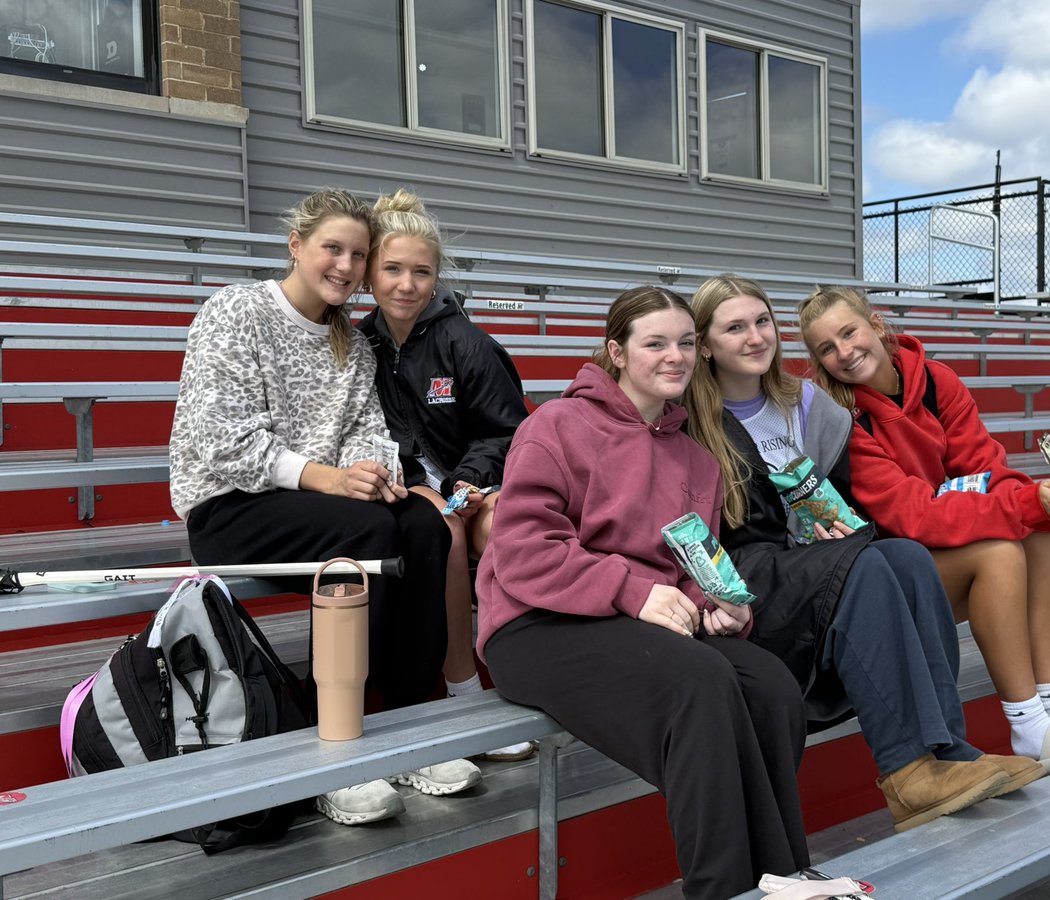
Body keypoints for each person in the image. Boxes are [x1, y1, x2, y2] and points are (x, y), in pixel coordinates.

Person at [476, 286, 808, 899]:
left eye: (686, 342)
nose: (674, 356)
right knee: (699, 681)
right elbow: (523, 552)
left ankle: (779, 877)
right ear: (617, 352)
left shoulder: (697, 459)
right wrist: (630, 591)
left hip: (638, 622)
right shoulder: (556, 425)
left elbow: (690, 565)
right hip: (536, 623)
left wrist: (715, 604)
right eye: (655, 343)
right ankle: (722, 888)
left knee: (771, 687)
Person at [685, 273, 1040, 833]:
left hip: (807, 559)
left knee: (908, 558)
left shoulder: (805, 403)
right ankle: (906, 771)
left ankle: (949, 750)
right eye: (734, 328)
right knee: (870, 563)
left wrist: (833, 525)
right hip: (744, 573)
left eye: (762, 321)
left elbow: (843, 500)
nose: (755, 337)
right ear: (704, 345)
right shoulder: (689, 417)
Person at [169, 187, 469, 827]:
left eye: (358, 255)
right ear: (296, 244)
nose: (346, 266)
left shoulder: (352, 346)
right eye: (333, 248)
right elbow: (220, 441)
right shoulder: (236, 311)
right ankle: (334, 747)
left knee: (423, 522)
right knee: (365, 531)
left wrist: (371, 472)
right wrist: (329, 479)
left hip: (325, 504)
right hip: (233, 507)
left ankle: (408, 719)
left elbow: (366, 431)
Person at [799, 285, 1050, 770]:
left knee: (1042, 535)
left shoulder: (937, 381)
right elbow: (913, 516)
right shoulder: (843, 420)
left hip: (939, 549)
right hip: (892, 578)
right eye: (827, 349)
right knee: (1000, 552)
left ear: (875, 323)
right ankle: (1028, 726)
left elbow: (985, 468)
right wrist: (1021, 506)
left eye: (849, 333)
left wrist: (1036, 501)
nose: (845, 352)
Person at [358, 188, 533, 764]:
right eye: (392, 269)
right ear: (370, 273)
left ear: (437, 277)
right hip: (406, 487)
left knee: (511, 526)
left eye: (422, 272)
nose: (406, 284)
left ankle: (534, 672)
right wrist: (414, 483)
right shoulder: (360, 344)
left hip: (476, 483)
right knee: (446, 531)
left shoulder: (468, 343)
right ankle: (463, 687)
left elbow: (508, 431)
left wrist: (469, 480)